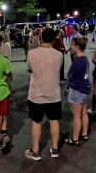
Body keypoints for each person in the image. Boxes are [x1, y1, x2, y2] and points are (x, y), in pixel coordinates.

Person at [25, 29, 63, 161]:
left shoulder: (32, 53)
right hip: (53, 93)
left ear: (41, 38)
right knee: (54, 120)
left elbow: (29, 69)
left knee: (36, 122)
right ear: (53, 40)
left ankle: (35, 151)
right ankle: (55, 148)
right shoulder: (59, 55)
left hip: (36, 94)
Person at [65, 36, 91, 146]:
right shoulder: (85, 58)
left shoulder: (78, 61)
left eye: (72, 45)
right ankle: (84, 133)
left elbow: (70, 75)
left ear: (77, 46)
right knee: (84, 113)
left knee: (76, 116)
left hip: (77, 90)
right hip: (85, 89)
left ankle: (75, 138)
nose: (70, 47)